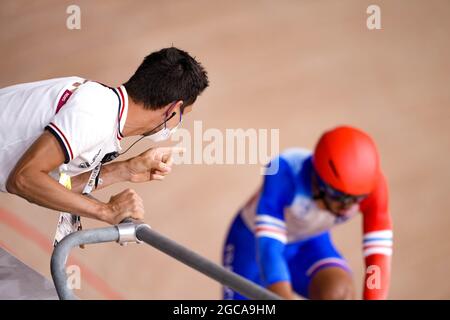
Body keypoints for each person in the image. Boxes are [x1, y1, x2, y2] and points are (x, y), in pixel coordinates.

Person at [0, 47, 209, 225]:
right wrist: (107, 211)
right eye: (183, 116)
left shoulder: (104, 107)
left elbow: (50, 186)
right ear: (173, 108)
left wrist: (125, 169)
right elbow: (23, 179)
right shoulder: (94, 115)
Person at [222, 126, 392, 300]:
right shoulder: (285, 172)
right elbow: (269, 251)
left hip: (307, 244)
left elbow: (377, 257)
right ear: (318, 182)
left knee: (339, 294)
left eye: (357, 199)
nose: (347, 207)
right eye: (339, 197)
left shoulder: (374, 188)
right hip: (251, 245)